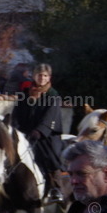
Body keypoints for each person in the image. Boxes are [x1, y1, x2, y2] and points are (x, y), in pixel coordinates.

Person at [11, 63, 65, 204]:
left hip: (45, 134)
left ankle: (55, 188)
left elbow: (51, 116)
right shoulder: (24, 94)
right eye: (39, 75)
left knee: (49, 153)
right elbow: (16, 114)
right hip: (25, 132)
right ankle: (6, 188)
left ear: (49, 78)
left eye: (45, 76)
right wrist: (16, 129)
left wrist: (40, 131)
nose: (42, 78)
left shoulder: (53, 95)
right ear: (34, 76)